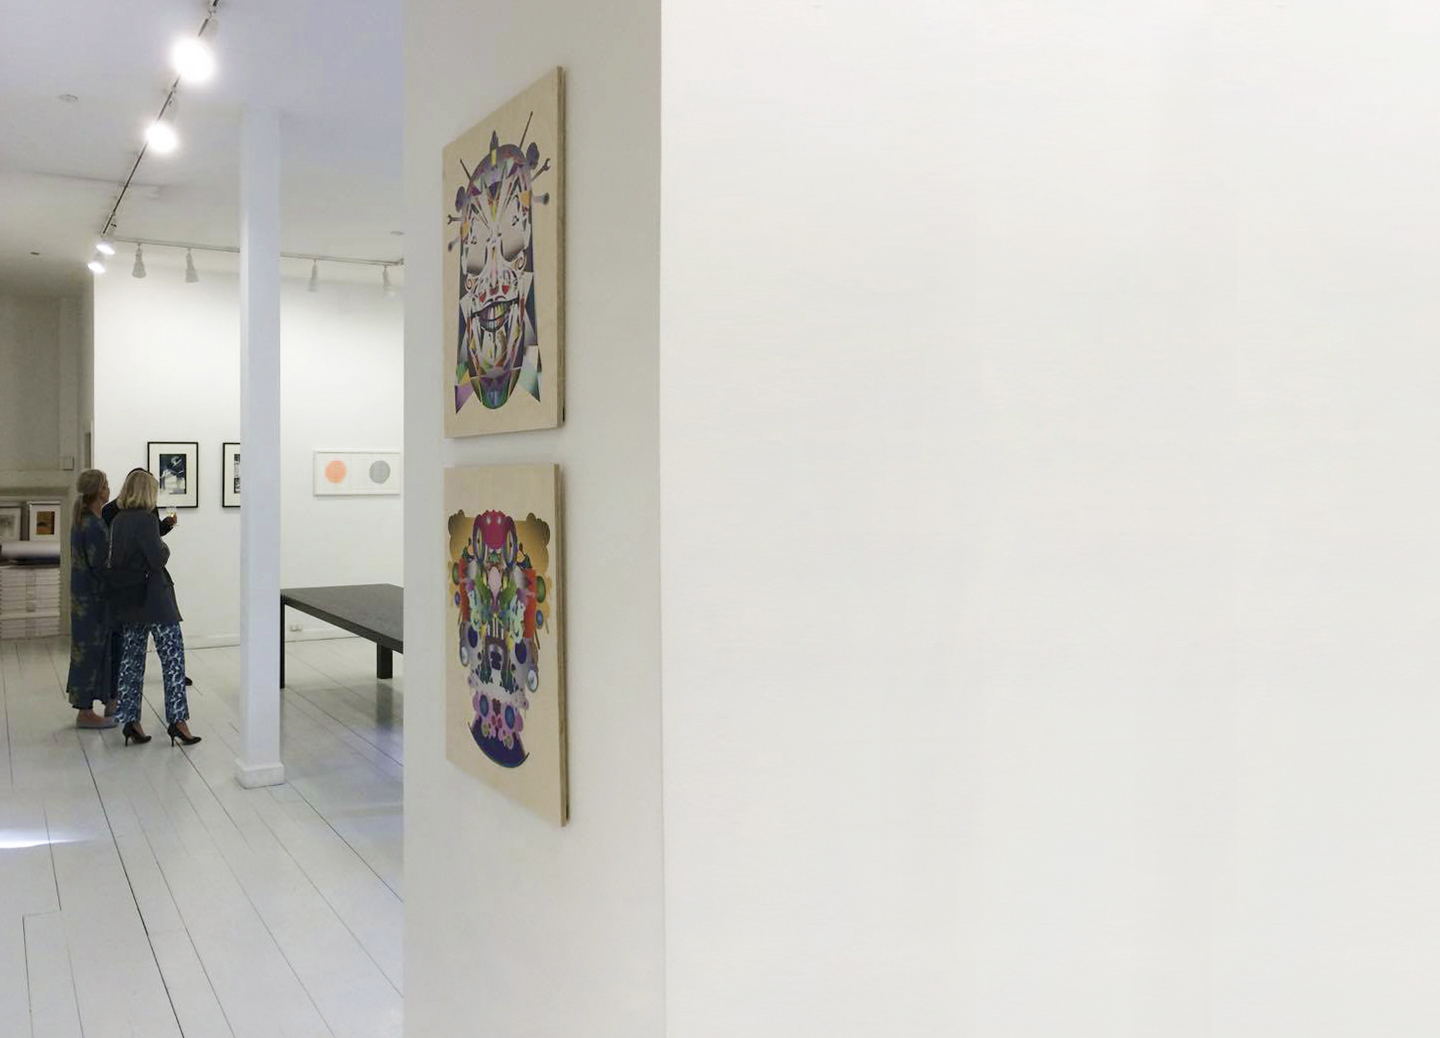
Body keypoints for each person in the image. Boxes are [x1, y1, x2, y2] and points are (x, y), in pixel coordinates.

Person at [108, 469, 200, 747]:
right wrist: (165, 548)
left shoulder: (119, 520)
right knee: (173, 659)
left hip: (130, 600)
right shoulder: (147, 520)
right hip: (155, 600)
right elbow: (157, 559)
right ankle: (178, 721)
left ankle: (130, 721)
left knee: (132, 661)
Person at [65, 469, 116, 729]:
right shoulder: (94, 525)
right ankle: (85, 711)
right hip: (93, 598)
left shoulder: (83, 520)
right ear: (98, 491)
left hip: (84, 596)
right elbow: (100, 566)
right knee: (89, 652)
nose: (109, 490)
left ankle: (96, 703)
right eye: (106, 486)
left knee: (86, 650)